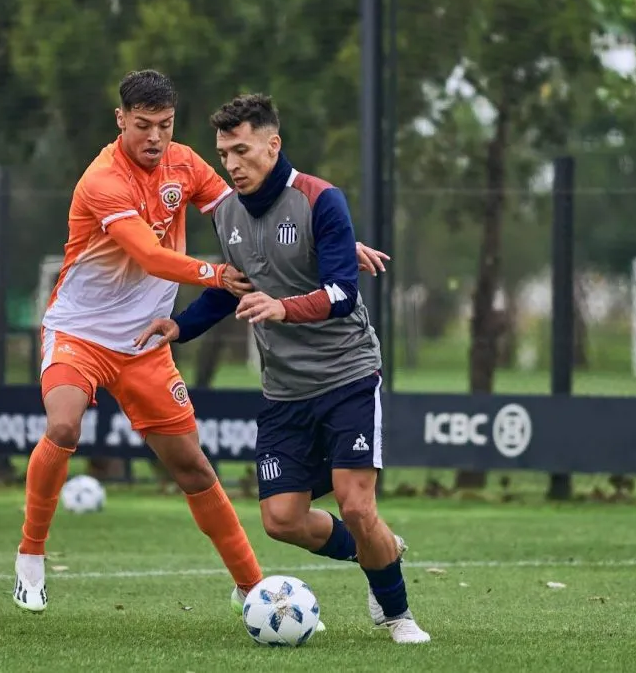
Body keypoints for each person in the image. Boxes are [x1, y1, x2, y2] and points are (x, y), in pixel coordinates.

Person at [14, 70, 390, 619]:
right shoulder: (103, 181)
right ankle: (31, 555)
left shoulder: (186, 163)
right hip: (81, 332)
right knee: (65, 424)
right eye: (143, 126)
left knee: (192, 467)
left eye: (165, 125)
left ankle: (251, 586)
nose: (155, 138)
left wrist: (329, 235)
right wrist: (215, 275)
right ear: (121, 120)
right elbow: (150, 256)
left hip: (145, 342)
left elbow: (250, 209)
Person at [135, 93, 430, 644]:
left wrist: (282, 307)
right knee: (282, 520)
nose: (232, 164)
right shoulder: (226, 213)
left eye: (242, 150)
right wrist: (181, 327)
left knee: (356, 503)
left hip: (347, 375)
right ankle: (380, 550)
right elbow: (232, 289)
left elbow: (343, 292)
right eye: (224, 154)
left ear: (273, 144)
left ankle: (399, 615)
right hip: (284, 390)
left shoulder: (322, 200)